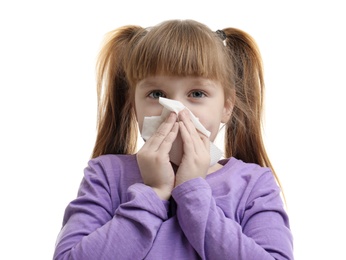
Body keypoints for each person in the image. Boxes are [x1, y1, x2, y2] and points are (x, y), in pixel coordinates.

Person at [53, 19, 294, 259]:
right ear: (133, 105)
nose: (176, 111)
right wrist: (153, 192)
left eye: (197, 94)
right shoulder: (106, 175)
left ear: (226, 107)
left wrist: (193, 193)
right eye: (156, 94)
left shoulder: (253, 185)